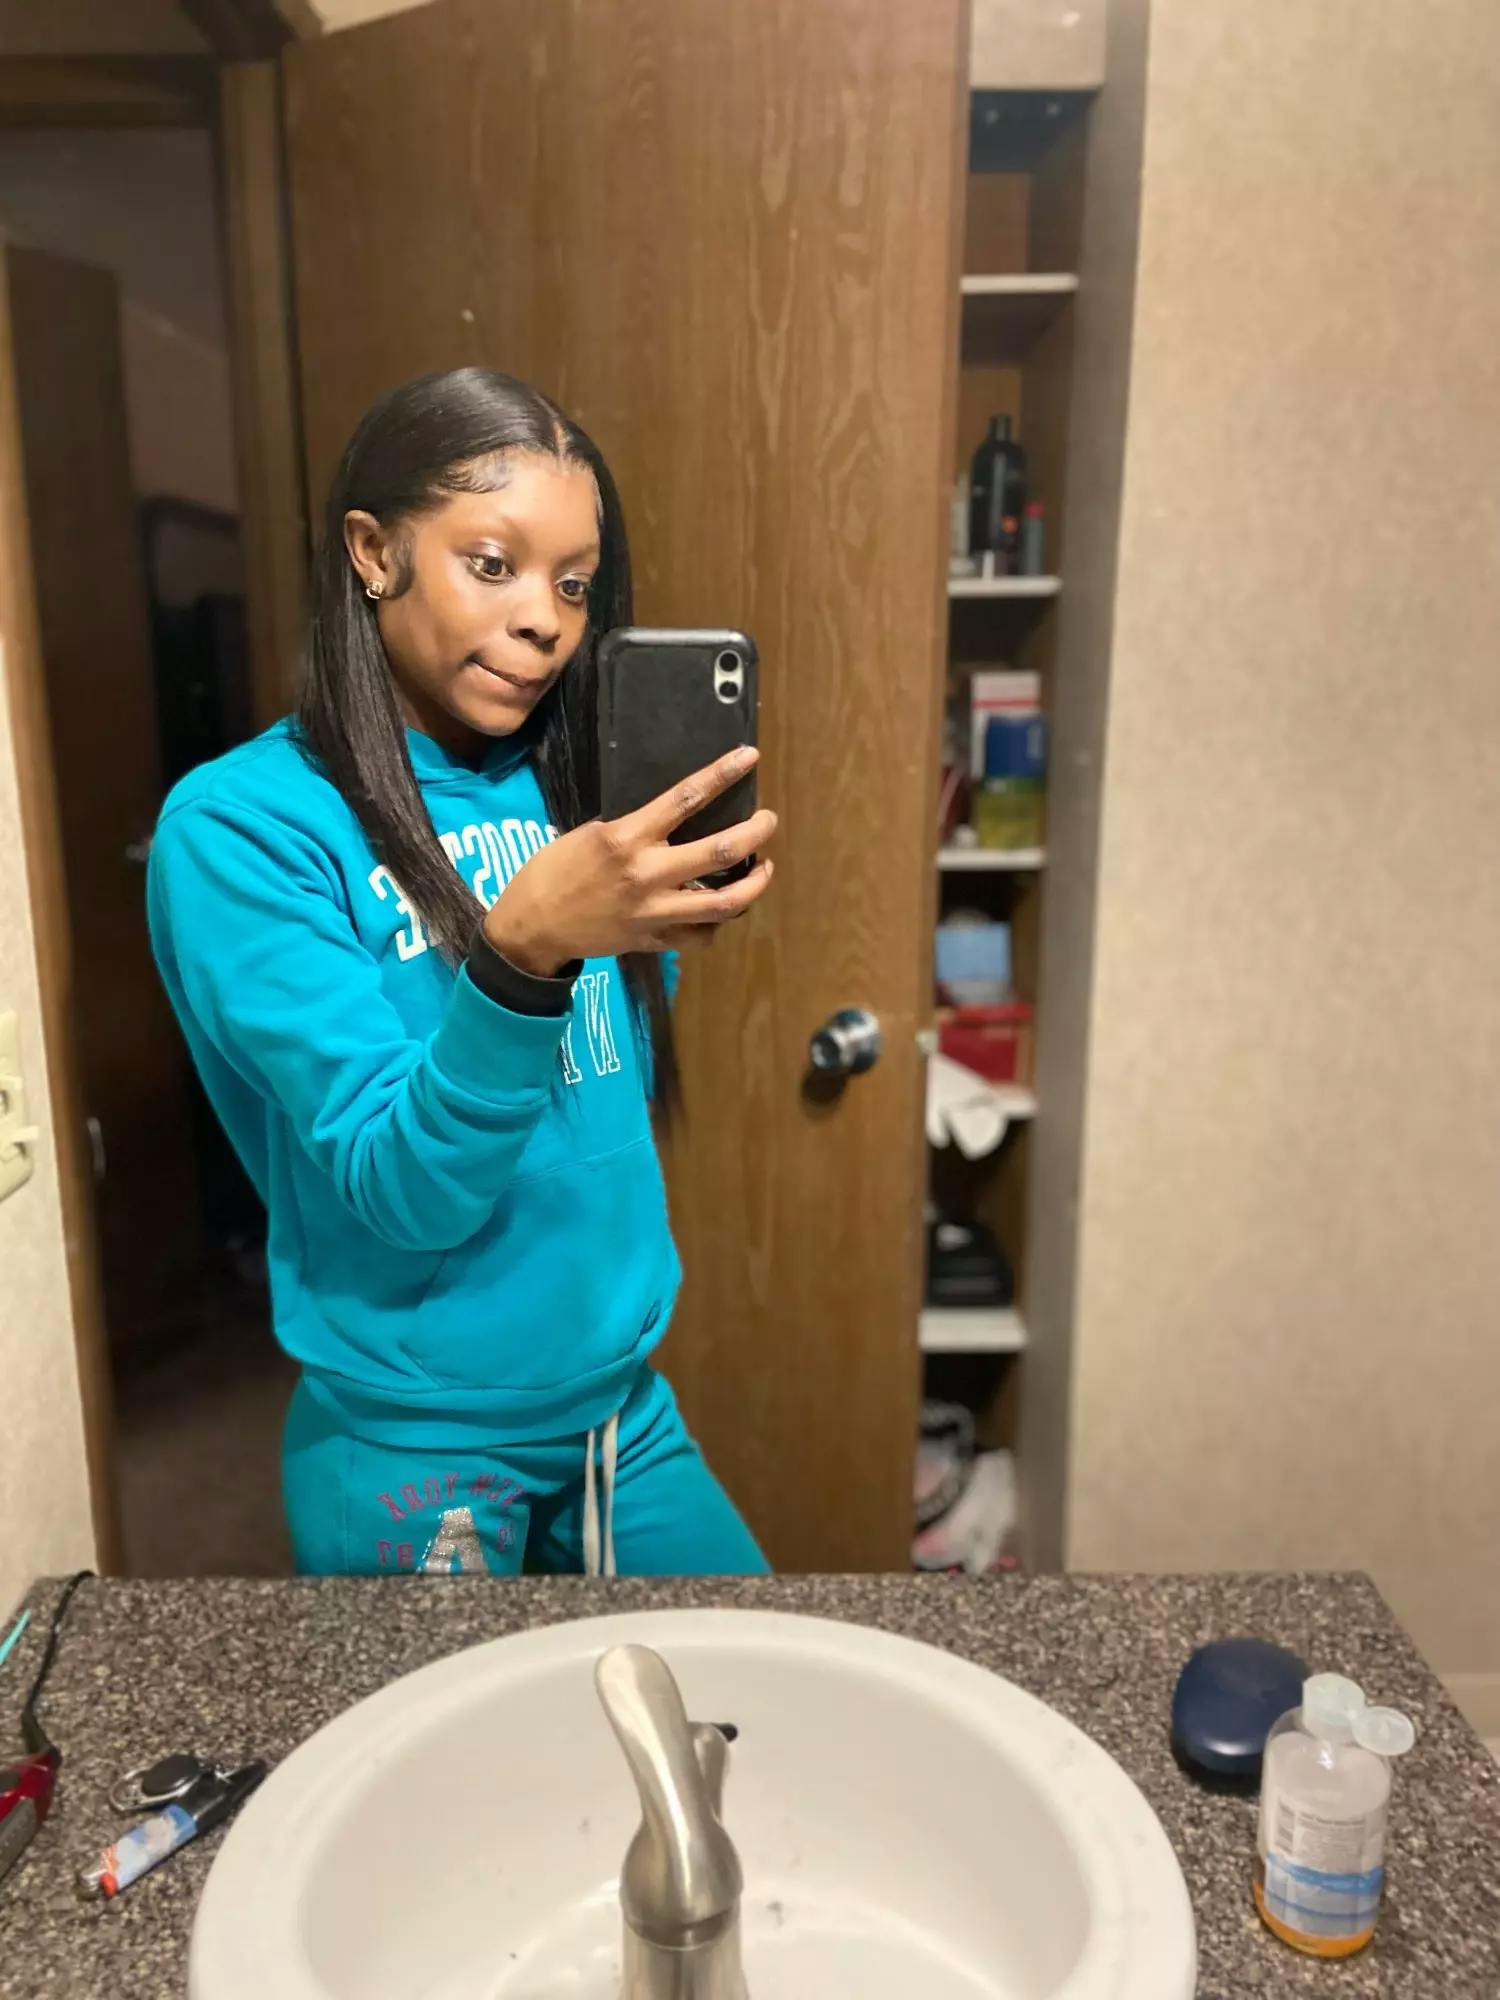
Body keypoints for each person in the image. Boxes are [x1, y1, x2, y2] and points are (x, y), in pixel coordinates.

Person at [147, 368, 776, 1579]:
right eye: (493, 563)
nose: (546, 619)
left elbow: (601, 1088)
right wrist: (522, 950)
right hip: (414, 1445)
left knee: (748, 1677)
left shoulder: (574, 785)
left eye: (574, 583)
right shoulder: (243, 827)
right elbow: (403, 1191)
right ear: (374, 551)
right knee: (453, 1720)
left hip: (618, 1413)